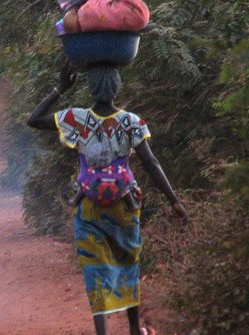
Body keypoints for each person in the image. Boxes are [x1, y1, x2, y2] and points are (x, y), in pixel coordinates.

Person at [27, 62, 188, 335]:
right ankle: (134, 329)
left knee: (95, 268)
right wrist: (174, 201)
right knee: (128, 262)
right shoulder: (132, 122)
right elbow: (151, 162)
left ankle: (101, 331)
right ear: (118, 86)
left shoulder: (76, 119)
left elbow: (34, 119)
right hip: (124, 206)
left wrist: (60, 88)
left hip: (89, 207)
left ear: (89, 87)